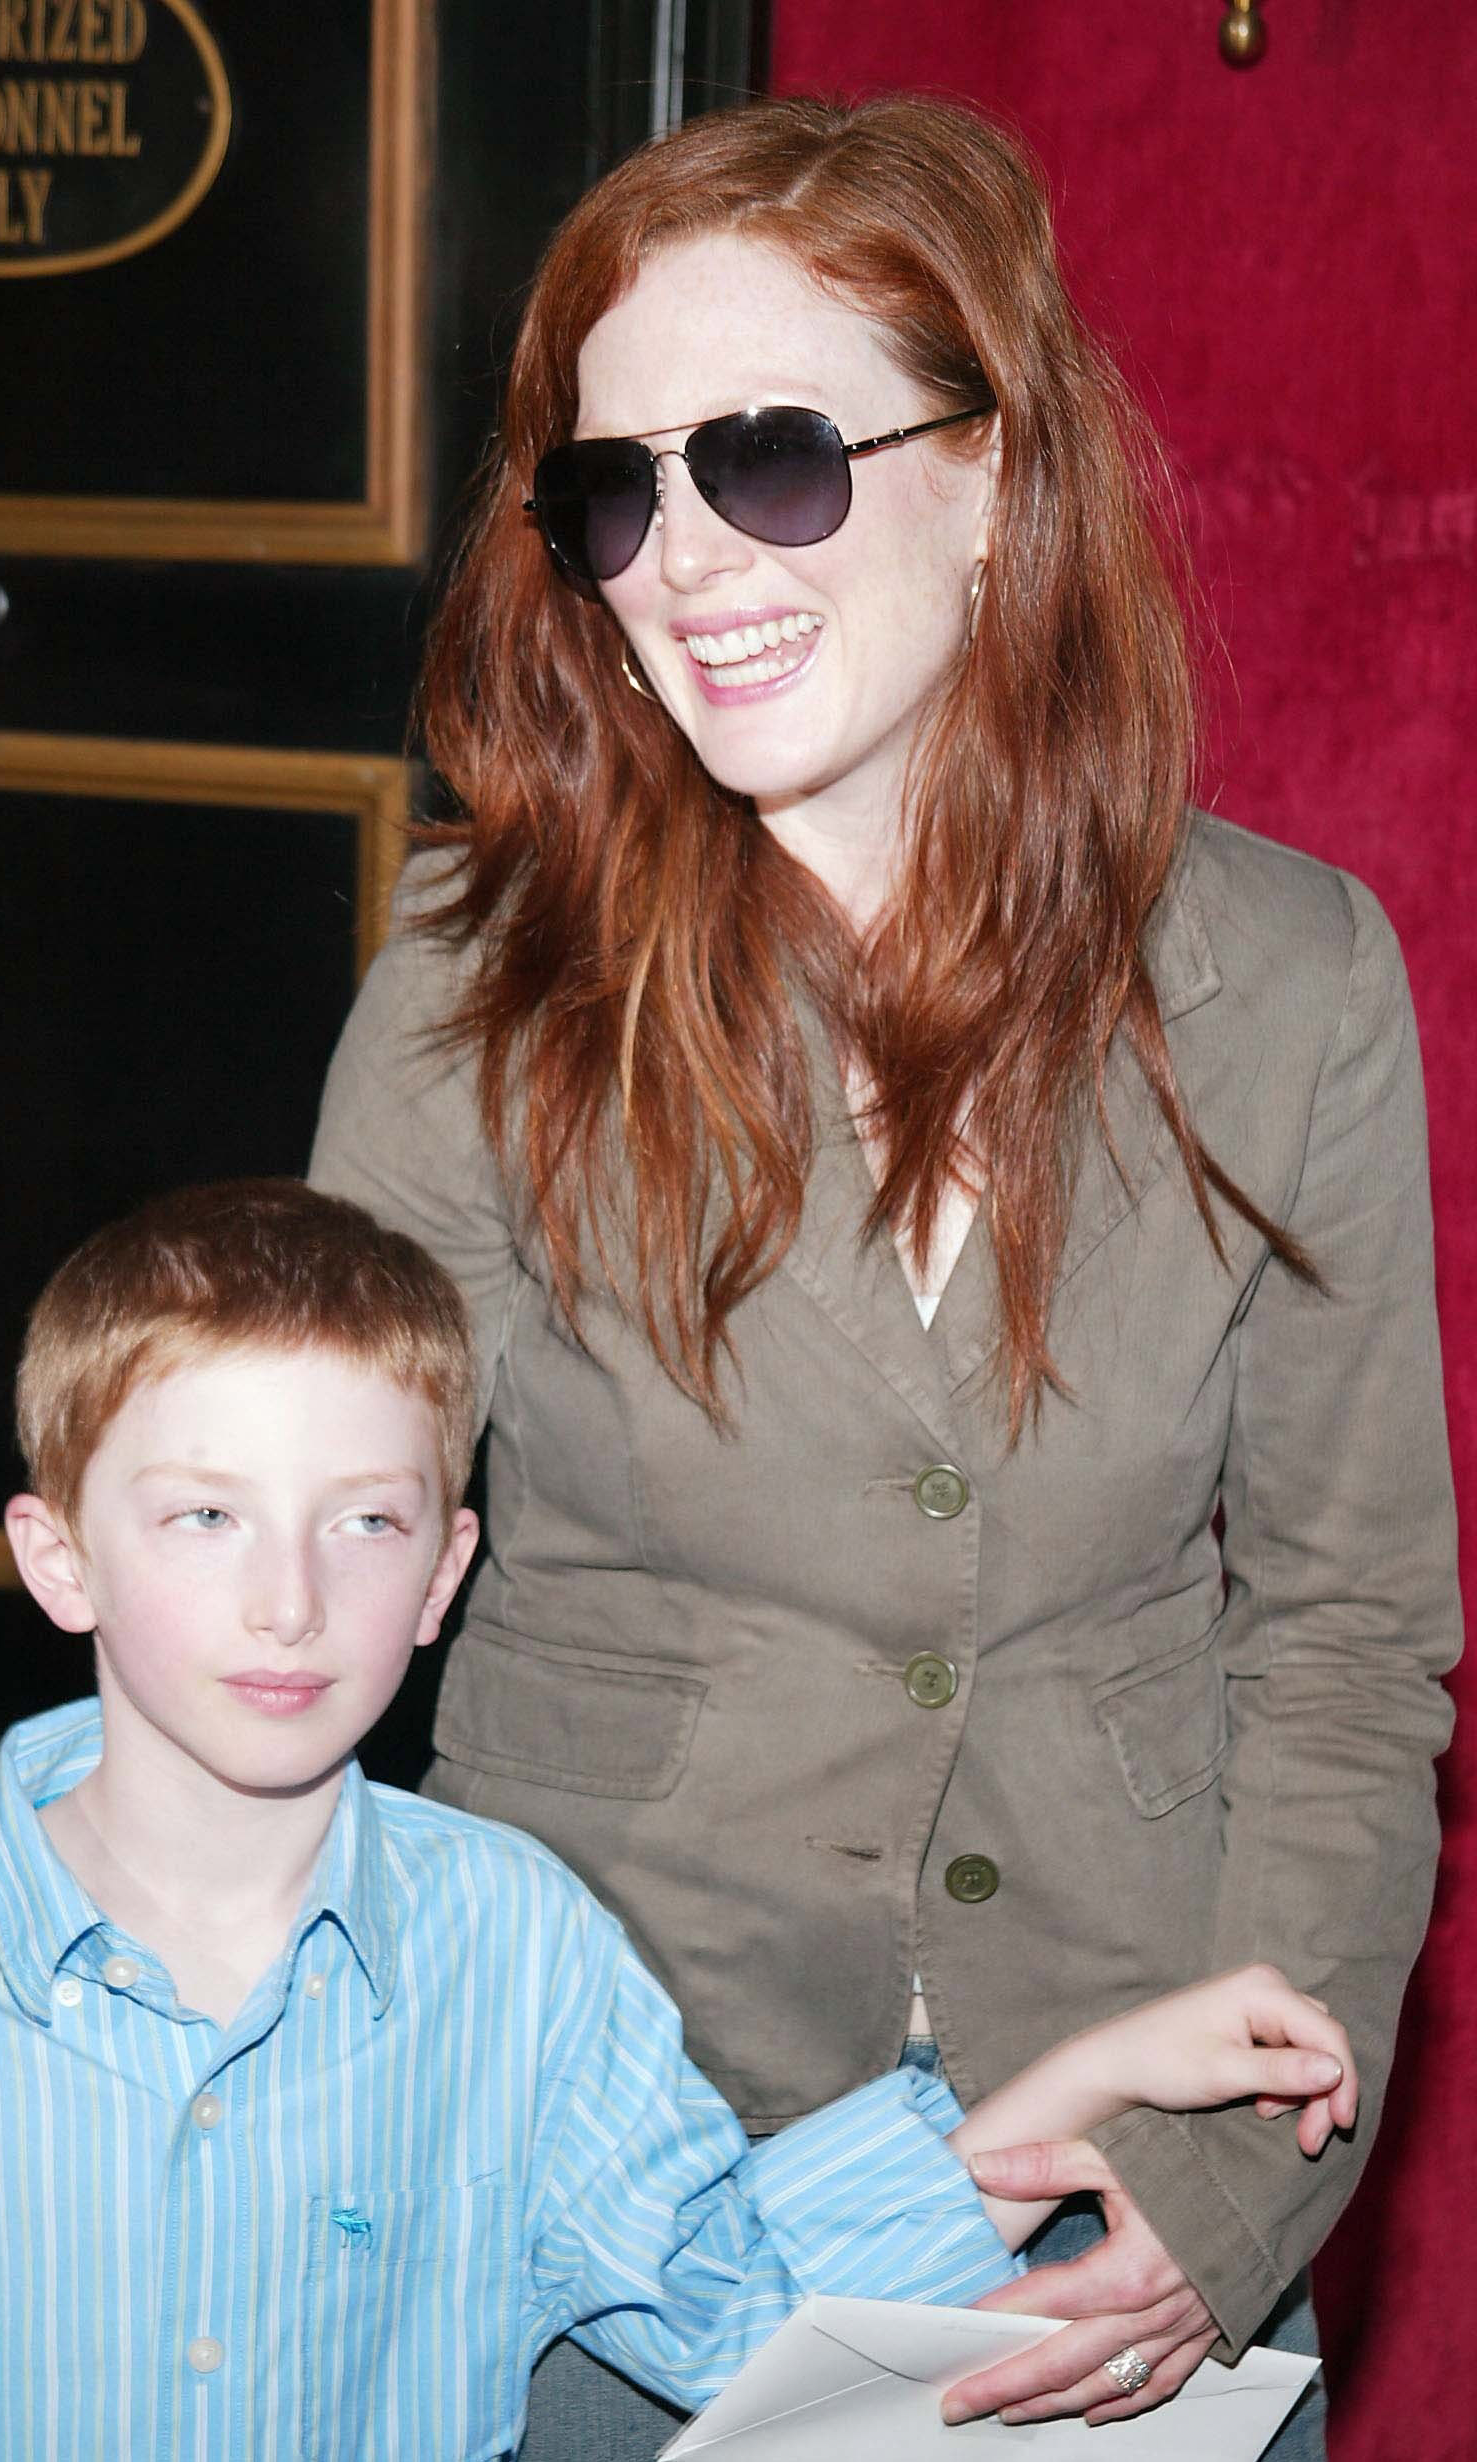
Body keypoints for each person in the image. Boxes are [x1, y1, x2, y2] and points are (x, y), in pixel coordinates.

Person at [308, 93, 1462, 2461]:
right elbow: (294, 1589)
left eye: (772, 458)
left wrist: (1224, 2187)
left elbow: (1348, 1643)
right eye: (612, 491)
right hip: (604, 2187)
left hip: (1117, 2197)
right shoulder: (469, 977)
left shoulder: (1290, 971)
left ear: (997, 469)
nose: (681, 558)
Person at [0, 1176, 1356, 2460]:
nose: (290, 1597)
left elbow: (739, 2300)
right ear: (59, 1556)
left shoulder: (523, 1944)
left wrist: (1093, 2072)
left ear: (444, 1574)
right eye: (205, 1515)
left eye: (364, 1519)